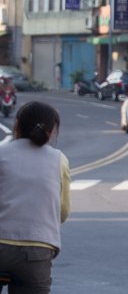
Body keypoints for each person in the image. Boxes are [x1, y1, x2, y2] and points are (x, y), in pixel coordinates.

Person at [0, 101, 71, 294]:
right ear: (52, 131)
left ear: (16, 126)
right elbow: (62, 213)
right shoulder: (59, 160)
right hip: (37, 250)